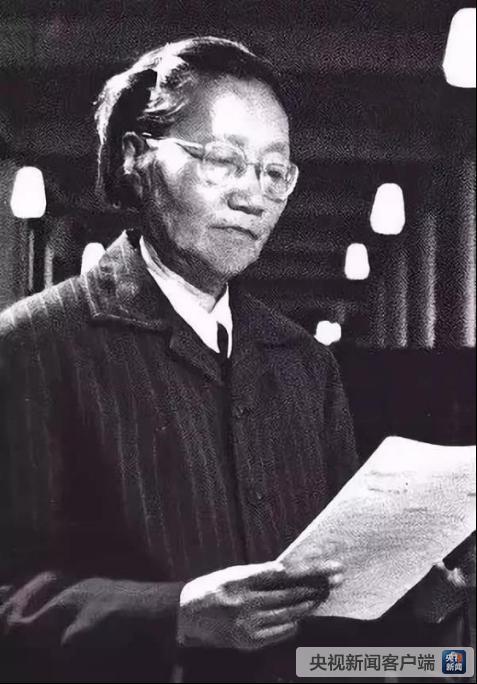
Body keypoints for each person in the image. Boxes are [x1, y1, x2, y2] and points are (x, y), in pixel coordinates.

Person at [0, 36, 473, 683]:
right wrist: (175, 616)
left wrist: (432, 595)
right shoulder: (34, 344)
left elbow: (332, 629)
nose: (254, 196)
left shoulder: (303, 364)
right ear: (137, 157)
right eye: (223, 160)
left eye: (275, 172)